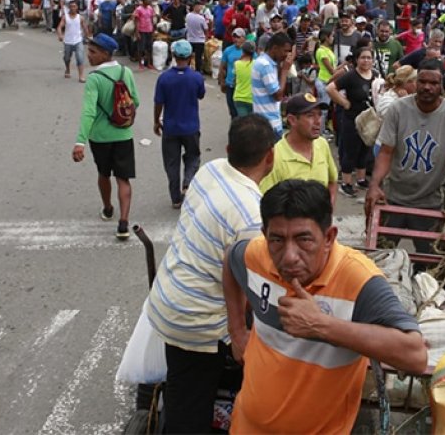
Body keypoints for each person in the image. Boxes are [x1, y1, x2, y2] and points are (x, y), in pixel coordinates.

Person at [222, 179, 427, 434]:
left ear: (329, 237)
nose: (289, 256)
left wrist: (320, 325)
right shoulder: (257, 254)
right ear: (265, 235)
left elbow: (415, 356)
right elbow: (231, 258)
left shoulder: (358, 280)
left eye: (303, 239)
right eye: (277, 240)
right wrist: (237, 331)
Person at [147, 114, 276, 435]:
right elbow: (248, 288)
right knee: (189, 408)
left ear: (229, 148)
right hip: (197, 322)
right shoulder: (250, 213)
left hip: (168, 299)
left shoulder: (211, 170)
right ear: (270, 156)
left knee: (182, 386)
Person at [366, 59, 445, 249]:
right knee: (381, 256)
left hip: (430, 200)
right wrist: (374, 185)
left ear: (442, 86)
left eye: (433, 83)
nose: (427, 87)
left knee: (431, 263)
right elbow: (385, 153)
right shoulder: (398, 109)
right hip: (394, 196)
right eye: (422, 81)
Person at [71, 33, 140, 239]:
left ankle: (108, 208)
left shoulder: (94, 79)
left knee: (104, 174)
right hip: (123, 134)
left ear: (105, 54)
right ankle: (124, 222)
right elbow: (135, 100)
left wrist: (79, 141)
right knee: (123, 178)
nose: (88, 56)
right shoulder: (125, 71)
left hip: (100, 137)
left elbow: (88, 112)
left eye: (92, 52)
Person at [153, 40, 205, 208]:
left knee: (171, 163)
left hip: (171, 127)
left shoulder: (164, 78)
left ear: (173, 56)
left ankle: (175, 199)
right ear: (190, 57)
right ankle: (188, 182)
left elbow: (159, 102)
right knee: (193, 157)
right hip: (191, 127)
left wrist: (156, 121)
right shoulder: (196, 77)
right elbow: (201, 95)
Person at [260, 92, 337, 204]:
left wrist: (326, 214)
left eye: (319, 114)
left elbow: (332, 182)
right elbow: (266, 204)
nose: (318, 121)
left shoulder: (322, 144)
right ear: (292, 120)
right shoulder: (275, 157)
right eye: (310, 116)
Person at [327, 47, 377, 197]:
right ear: (356, 59)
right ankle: (346, 183)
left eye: (369, 58)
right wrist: (344, 103)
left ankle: (361, 179)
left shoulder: (375, 75)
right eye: (363, 57)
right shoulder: (350, 76)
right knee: (350, 151)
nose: (366, 60)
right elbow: (330, 88)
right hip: (351, 119)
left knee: (365, 150)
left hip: (369, 120)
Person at [251, 32, 294, 139]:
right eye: (285, 51)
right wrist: (285, 70)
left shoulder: (268, 63)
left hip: (264, 122)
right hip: (269, 124)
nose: (287, 55)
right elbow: (278, 95)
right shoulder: (265, 65)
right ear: (275, 48)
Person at [57, 0, 90, 82]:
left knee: (80, 58)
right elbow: (59, 27)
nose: (72, 8)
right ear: (69, 8)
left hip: (78, 40)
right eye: (71, 7)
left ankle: (81, 76)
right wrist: (60, 35)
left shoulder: (80, 18)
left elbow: (85, 28)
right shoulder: (65, 17)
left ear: (77, 7)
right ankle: (67, 69)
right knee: (67, 58)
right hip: (68, 41)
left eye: (74, 6)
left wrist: (88, 37)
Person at [219, 27, 247, 119]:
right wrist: (222, 81)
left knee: (242, 112)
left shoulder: (248, 51)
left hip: (242, 85)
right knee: (232, 111)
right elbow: (222, 66)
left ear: (244, 38)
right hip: (230, 84)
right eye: (234, 37)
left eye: (238, 37)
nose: (236, 39)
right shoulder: (228, 50)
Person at [233, 40, 256, 117]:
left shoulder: (237, 64)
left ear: (242, 51)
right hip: (252, 98)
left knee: (244, 123)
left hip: (239, 97)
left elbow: (234, 79)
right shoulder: (256, 64)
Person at [133, 0, 156, 70]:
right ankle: (140, 64)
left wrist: (153, 30)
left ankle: (149, 63)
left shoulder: (150, 9)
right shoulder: (138, 9)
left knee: (149, 48)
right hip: (141, 30)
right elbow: (136, 21)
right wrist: (137, 32)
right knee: (141, 49)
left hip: (149, 30)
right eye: (147, 0)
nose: (149, 1)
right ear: (143, 1)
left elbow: (152, 19)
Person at [186, 0, 208, 73]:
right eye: (199, 6)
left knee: (188, 56)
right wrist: (206, 37)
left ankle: (186, 70)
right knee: (198, 58)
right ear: (195, 7)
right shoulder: (201, 18)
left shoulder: (188, 15)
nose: (200, 8)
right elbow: (205, 29)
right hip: (199, 40)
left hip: (190, 39)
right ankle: (198, 72)